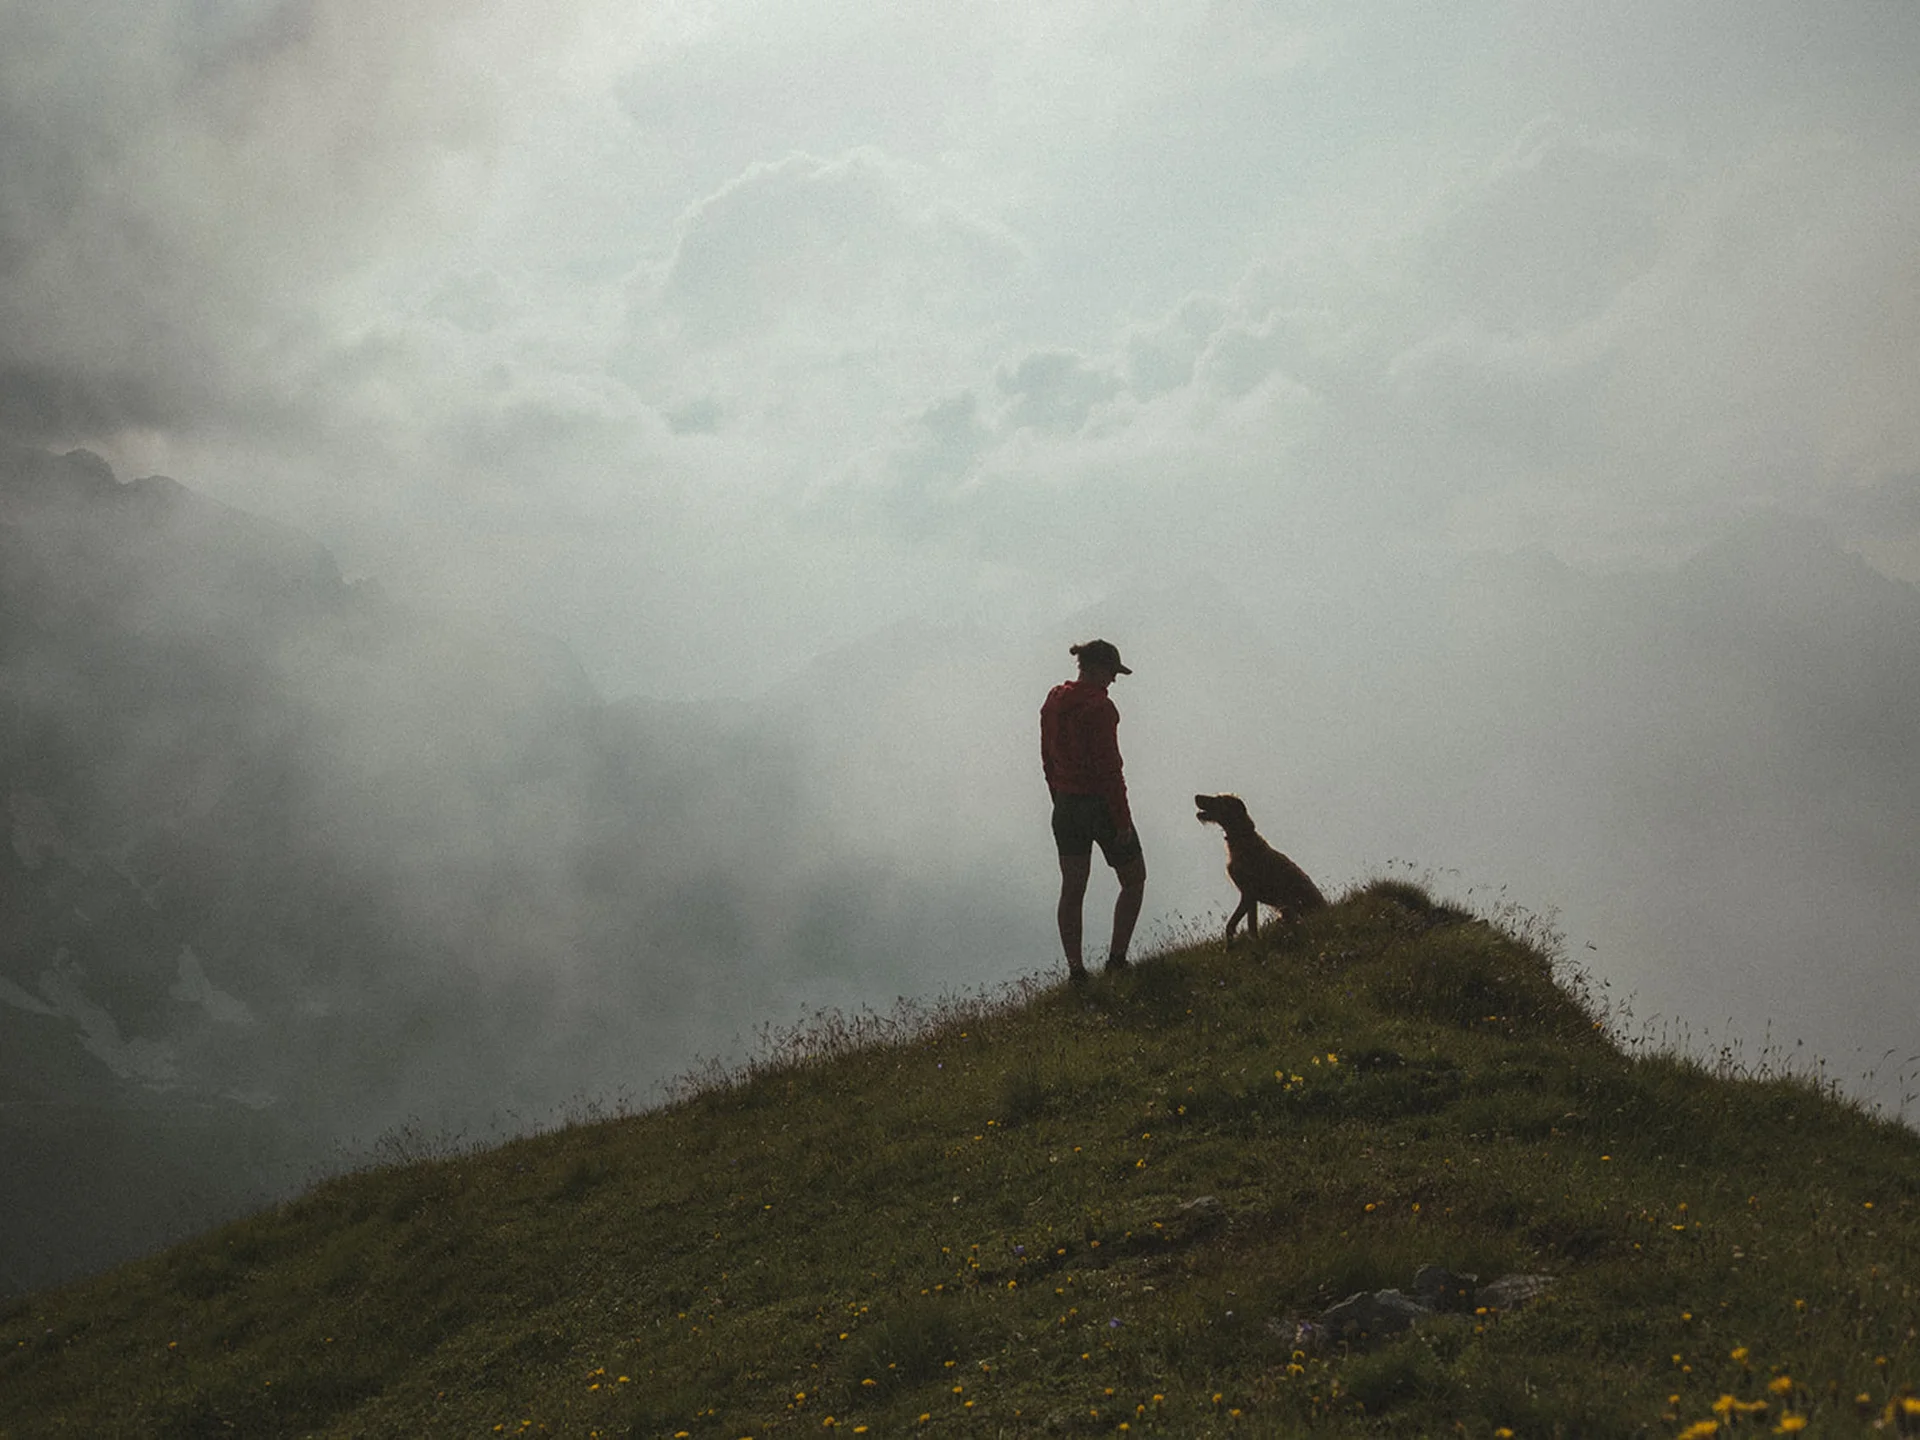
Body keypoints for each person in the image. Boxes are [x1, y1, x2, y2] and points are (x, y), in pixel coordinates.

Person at [1040, 638, 1146, 979]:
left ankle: (1076, 970)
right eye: (1112, 673)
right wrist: (1122, 820)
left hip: (1066, 806)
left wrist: (1058, 797)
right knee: (1134, 879)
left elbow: (1047, 757)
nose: (1113, 680)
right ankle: (1116, 961)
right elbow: (1110, 770)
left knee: (1072, 888)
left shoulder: (1054, 700)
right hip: (1100, 805)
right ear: (1098, 669)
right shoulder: (1101, 709)